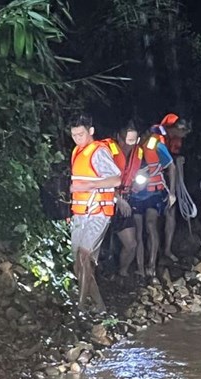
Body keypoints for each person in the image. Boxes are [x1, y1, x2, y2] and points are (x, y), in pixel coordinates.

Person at [68, 114, 121, 312]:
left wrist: (90, 184)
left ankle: (80, 307)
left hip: (98, 212)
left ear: (90, 131)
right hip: (80, 213)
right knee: (79, 264)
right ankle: (100, 307)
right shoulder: (76, 151)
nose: (77, 139)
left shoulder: (99, 152)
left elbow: (116, 179)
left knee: (84, 257)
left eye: (80, 134)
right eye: (74, 135)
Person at [128, 129, 175, 277]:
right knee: (138, 230)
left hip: (154, 192)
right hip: (136, 194)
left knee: (150, 224)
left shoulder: (156, 146)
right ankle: (140, 268)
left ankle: (152, 265)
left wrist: (172, 193)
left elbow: (171, 167)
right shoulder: (129, 148)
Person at [154, 113, 191, 262]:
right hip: (154, 177)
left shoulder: (175, 139)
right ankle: (155, 252)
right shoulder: (157, 135)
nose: (183, 136)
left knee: (171, 212)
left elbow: (173, 160)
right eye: (183, 131)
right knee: (153, 216)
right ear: (176, 128)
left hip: (168, 177)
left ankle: (167, 250)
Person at [106, 125, 142, 277]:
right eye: (126, 141)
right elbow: (102, 179)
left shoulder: (138, 153)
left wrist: (136, 186)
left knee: (131, 244)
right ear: (119, 138)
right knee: (99, 246)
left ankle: (123, 273)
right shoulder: (107, 152)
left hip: (125, 203)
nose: (128, 145)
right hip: (106, 202)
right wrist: (117, 198)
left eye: (133, 141)